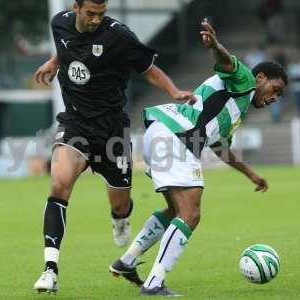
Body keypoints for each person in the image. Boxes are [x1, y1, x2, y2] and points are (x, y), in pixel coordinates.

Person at [109, 18, 287, 296]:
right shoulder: (246, 81)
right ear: (261, 79)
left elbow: (221, 149)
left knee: (175, 212)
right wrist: (215, 45)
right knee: (190, 214)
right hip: (176, 137)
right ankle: (154, 284)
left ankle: (127, 261)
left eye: (280, 95)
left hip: (164, 133)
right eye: (276, 90)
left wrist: (251, 174)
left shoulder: (235, 111)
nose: (275, 98)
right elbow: (226, 61)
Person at [33, 0, 195, 293]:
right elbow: (68, 46)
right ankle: (50, 270)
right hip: (75, 124)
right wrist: (55, 61)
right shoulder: (59, 23)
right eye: (90, 13)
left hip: (112, 131)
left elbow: (148, 68)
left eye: (101, 13)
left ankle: (120, 220)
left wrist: (173, 91)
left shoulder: (118, 36)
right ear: (76, 7)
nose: (96, 19)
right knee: (59, 184)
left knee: (120, 205)